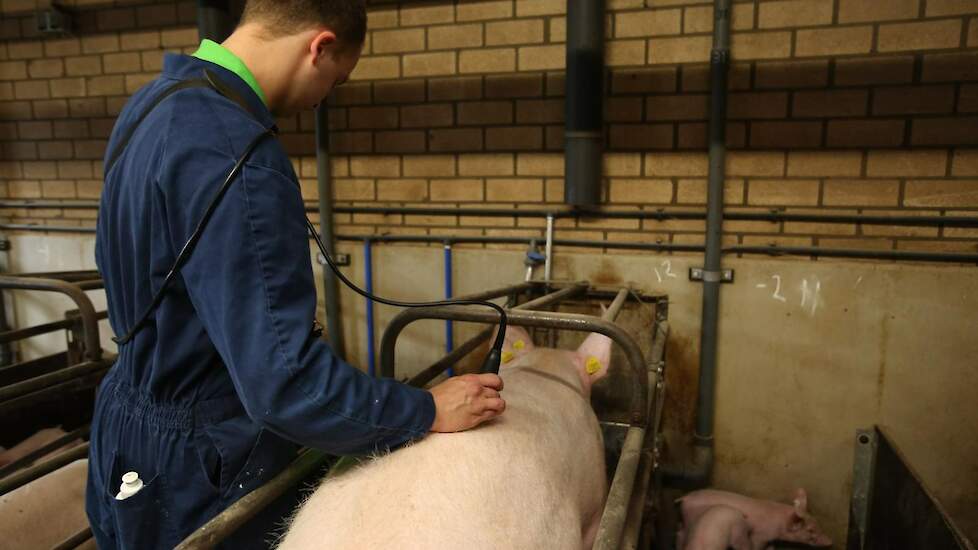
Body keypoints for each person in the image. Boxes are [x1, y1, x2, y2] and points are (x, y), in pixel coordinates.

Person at [86, 1, 506, 548]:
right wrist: (425, 409)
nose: (323, 99)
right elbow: (284, 385)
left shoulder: (150, 106)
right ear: (320, 47)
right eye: (337, 80)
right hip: (204, 465)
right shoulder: (238, 155)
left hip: (123, 427)